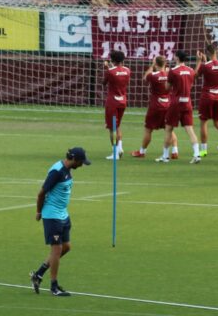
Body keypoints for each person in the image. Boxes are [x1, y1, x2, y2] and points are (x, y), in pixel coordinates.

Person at [31, 146, 90, 297]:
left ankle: (38, 274)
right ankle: (54, 287)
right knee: (56, 250)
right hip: (52, 215)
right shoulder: (57, 172)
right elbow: (41, 193)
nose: (82, 165)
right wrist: (39, 212)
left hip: (63, 214)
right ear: (74, 159)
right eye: (81, 162)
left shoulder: (67, 169)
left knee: (66, 247)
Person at [166, 51, 203, 163]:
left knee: (168, 129)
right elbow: (195, 75)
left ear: (177, 58)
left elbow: (167, 88)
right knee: (190, 130)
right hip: (187, 103)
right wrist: (199, 62)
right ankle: (197, 154)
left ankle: (165, 156)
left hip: (176, 103)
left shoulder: (173, 71)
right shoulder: (190, 70)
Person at [130, 55, 171, 160]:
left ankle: (142, 151)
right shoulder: (169, 74)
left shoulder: (153, 75)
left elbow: (145, 77)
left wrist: (152, 66)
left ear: (156, 63)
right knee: (169, 129)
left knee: (148, 129)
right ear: (165, 63)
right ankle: (175, 151)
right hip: (168, 104)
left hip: (156, 105)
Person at [103, 50, 131, 159]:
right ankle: (120, 147)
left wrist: (106, 68)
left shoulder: (110, 71)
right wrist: (110, 67)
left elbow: (104, 82)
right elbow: (118, 73)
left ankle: (115, 153)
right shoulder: (128, 70)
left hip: (113, 102)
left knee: (112, 128)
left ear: (112, 60)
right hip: (123, 100)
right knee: (117, 125)